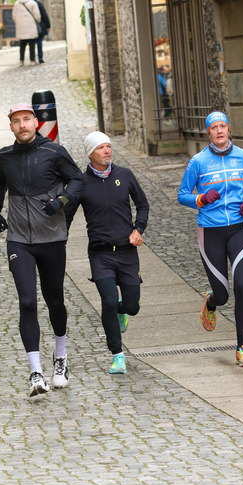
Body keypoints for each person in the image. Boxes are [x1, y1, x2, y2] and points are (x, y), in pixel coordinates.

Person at [0, 103, 84, 396]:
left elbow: (77, 180)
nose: (22, 125)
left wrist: (62, 201)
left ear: (36, 122)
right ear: (11, 126)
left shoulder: (54, 152)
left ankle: (60, 356)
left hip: (51, 238)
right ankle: (36, 373)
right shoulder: (5, 156)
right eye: (16, 121)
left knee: (54, 300)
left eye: (27, 119)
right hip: (19, 239)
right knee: (27, 302)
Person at [178, 111, 243, 367]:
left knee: (242, 285)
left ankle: (241, 349)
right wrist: (201, 199)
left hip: (238, 229)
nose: (220, 131)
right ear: (209, 133)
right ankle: (211, 302)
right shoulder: (198, 162)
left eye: (223, 126)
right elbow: (182, 195)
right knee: (223, 295)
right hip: (210, 231)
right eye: (214, 127)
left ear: (228, 129)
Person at [66, 132, 149, 375]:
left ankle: (122, 312)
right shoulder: (81, 183)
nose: (107, 151)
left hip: (127, 252)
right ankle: (117, 355)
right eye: (101, 147)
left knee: (131, 306)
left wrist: (138, 229)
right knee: (109, 301)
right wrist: (57, 242)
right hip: (100, 254)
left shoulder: (125, 175)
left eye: (108, 146)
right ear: (90, 153)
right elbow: (67, 216)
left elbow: (143, 205)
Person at [12, 0, 41, 66]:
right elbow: (37, 15)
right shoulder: (32, 3)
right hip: (31, 26)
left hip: (21, 27)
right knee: (32, 44)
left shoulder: (17, 3)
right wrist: (37, 21)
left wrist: (18, 23)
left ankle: (21, 60)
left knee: (22, 44)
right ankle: (32, 60)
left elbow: (14, 16)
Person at [31, 0, 50, 64]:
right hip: (39, 25)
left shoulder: (26, 4)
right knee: (39, 42)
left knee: (32, 43)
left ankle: (32, 59)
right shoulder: (38, 4)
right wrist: (48, 25)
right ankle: (40, 57)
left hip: (30, 26)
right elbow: (44, 15)